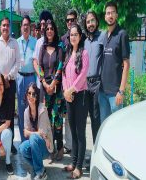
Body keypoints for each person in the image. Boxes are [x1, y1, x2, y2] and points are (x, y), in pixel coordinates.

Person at [62, 24, 89, 179]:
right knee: (72, 131)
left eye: (75, 34)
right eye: (71, 35)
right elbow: (64, 74)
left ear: (80, 36)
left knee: (80, 133)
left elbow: (83, 74)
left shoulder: (83, 53)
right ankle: (73, 162)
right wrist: (66, 91)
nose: (73, 37)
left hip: (80, 96)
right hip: (69, 97)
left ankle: (79, 167)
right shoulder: (68, 53)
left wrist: (70, 90)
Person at [0, 17, 20, 154]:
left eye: (7, 25)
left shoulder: (15, 43)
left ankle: (11, 142)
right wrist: (1, 78)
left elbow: (17, 62)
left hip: (11, 83)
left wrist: (8, 77)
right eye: (3, 25)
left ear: (10, 28)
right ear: (0, 27)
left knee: (10, 112)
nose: (5, 28)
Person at [99, 2, 130, 123]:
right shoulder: (104, 35)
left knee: (117, 128)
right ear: (105, 16)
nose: (110, 15)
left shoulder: (122, 34)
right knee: (104, 127)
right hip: (102, 93)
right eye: (108, 13)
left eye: (112, 12)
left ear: (116, 15)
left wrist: (121, 91)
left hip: (115, 94)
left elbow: (126, 64)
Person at [38, 19, 64, 161]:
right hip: (45, 89)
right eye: (47, 29)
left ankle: (60, 147)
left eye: (51, 29)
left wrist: (53, 83)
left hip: (56, 89)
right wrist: (44, 82)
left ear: (54, 31)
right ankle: (50, 148)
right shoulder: (42, 47)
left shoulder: (60, 47)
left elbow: (60, 66)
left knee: (57, 119)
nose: (49, 31)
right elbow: (40, 67)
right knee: (46, 120)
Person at [19, 83, 53, 180]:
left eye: (34, 94)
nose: (31, 96)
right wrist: (32, 133)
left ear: (37, 96)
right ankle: (41, 169)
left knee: (33, 137)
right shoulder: (26, 111)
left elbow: (42, 133)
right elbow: (25, 133)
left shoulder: (42, 109)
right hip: (35, 144)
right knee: (22, 148)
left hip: (45, 146)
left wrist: (31, 133)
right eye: (29, 93)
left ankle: (39, 172)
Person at [16, 15, 37, 142]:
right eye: (24, 25)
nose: (25, 27)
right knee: (21, 109)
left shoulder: (35, 42)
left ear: (30, 27)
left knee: (32, 108)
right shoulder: (16, 42)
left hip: (31, 78)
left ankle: (32, 138)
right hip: (19, 78)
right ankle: (23, 140)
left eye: (27, 25)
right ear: (21, 27)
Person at [60, 9, 78, 155]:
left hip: (78, 85)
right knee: (67, 117)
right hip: (65, 84)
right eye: (68, 20)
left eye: (72, 19)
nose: (70, 22)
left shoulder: (81, 37)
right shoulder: (62, 39)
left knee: (78, 118)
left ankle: (77, 145)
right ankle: (69, 145)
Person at [83, 10, 103, 143]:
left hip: (97, 83)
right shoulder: (84, 41)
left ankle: (97, 150)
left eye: (92, 21)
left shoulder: (103, 37)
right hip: (85, 84)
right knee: (87, 117)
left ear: (96, 22)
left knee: (96, 118)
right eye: (88, 21)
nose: (90, 24)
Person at [33, 10, 53, 89]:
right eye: (41, 24)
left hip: (53, 85)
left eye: (44, 24)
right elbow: (35, 62)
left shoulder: (57, 43)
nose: (41, 27)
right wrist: (42, 78)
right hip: (41, 84)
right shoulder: (39, 42)